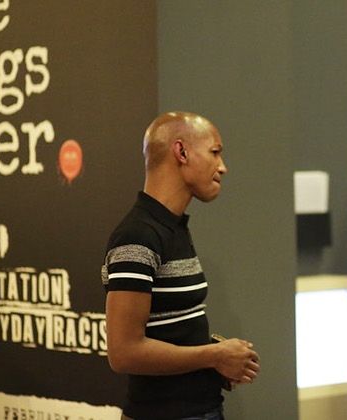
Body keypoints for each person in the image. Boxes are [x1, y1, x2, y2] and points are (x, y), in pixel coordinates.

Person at [102, 111, 257, 420]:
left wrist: (217, 357)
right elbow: (124, 353)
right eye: (215, 152)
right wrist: (214, 355)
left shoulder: (172, 228)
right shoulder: (139, 235)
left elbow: (168, 329)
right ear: (181, 152)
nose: (222, 167)